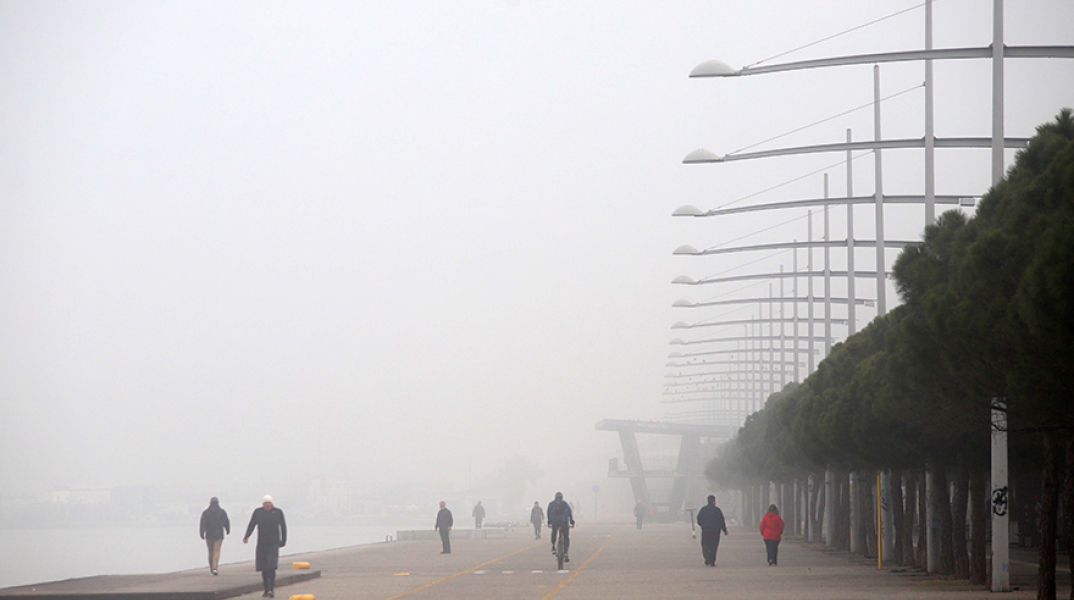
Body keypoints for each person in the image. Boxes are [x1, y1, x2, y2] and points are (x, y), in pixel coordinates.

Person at [243, 495, 287, 598]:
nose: (267, 505)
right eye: (265, 503)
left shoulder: (278, 512)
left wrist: (283, 541)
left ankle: (271, 589)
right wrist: (247, 536)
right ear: (263, 504)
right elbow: (252, 524)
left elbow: (283, 527)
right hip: (262, 543)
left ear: (272, 503)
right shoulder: (258, 512)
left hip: (274, 543)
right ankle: (266, 589)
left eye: (269, 503)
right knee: (263, 568)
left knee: (271, 567)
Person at [199, 496, 230, 575]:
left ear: (210, 503)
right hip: (219, 534)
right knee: (217, 551)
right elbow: (226, 522)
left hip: (209, 534)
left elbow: (203, 524)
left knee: (210, 551)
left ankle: (211, 568)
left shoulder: (206, 512)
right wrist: (227, 530)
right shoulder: (222, 512)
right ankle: (215, 568)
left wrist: (202, 533)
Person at [696, 494, 728, 567]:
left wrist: (702, 525)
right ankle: (712, 561)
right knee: (714, 546)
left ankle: (707, 556)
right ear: (714, 501)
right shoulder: (717, 510)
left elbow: (699, 519)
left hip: (706, 530)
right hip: (715, 531)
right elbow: (721, 520)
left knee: (705, 544)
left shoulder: (703, 510)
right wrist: (724, 530)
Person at [547, 492, 574, 562]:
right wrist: (571, 521)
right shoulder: (565, 504)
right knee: (566, 537)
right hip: (564, 522)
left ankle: (553, 546)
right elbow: (569, 512)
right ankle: (565, 552)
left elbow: (548, 512)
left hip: (555, 522)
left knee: (554, 532)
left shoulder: (551, 504)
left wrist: (549, 521)